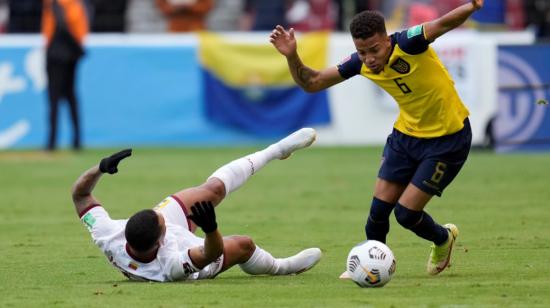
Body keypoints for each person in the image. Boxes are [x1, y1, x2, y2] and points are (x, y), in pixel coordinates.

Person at [270, 0, 483, 276]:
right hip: (406, 136)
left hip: (448, 139)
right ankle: (371, 267)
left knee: (406, 215)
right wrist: (291, 55)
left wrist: (472, 6)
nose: (369, 58)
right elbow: (313, 83)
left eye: (374, 49)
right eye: (362, 51)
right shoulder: (360, 63)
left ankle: (443, 238)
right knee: (377, 213)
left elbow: (442, 24)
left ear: (387, 39)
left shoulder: (409, 43)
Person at [72, 128, 322, 282]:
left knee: (211, 190)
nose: (164, 221)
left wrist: (101, 168)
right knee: (244, 245)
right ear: (160, 240)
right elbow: (209, 253)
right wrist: (211, 228)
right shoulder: (170, 265)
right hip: (199, 263)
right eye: (163, 224)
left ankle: (276, 150)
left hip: (151, 243)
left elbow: (81, 196)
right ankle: (282, 267)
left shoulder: (108, 234)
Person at [42, 0, 88, 151]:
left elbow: (61, 25)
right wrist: (78, 49)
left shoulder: (57, 3)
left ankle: (52, 142)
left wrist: (76, 47)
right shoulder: (76, 4)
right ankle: (76, 140)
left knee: (54, 98)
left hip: (57, 54)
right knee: (71, 97)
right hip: (71, 54)